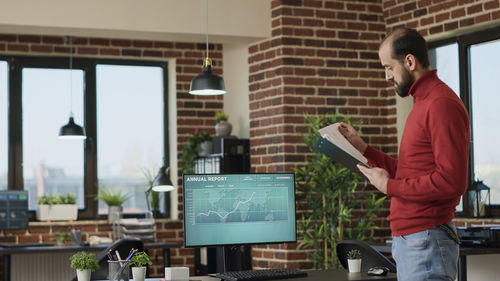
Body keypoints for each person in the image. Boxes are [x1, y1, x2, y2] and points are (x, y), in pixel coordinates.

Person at [338, 27, 470, 281]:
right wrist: (364, 149)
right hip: (414, 242)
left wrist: (390, 187)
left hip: (426, 241)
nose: (387, 76)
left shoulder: (440, 104)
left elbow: (452, 181)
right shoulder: (422, 103)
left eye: (389, 67)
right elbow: (411, 173)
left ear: (409, 61)